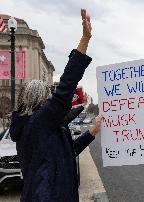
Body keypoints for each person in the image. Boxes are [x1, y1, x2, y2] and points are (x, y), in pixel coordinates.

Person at [10, 9, 100, 202]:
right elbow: (65, 88)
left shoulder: (38, 126)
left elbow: (68, 152)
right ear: (38, 99)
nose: (50, 97)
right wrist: (84, 40)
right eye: (47, 95)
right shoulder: (38, 123)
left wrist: (92, 132)